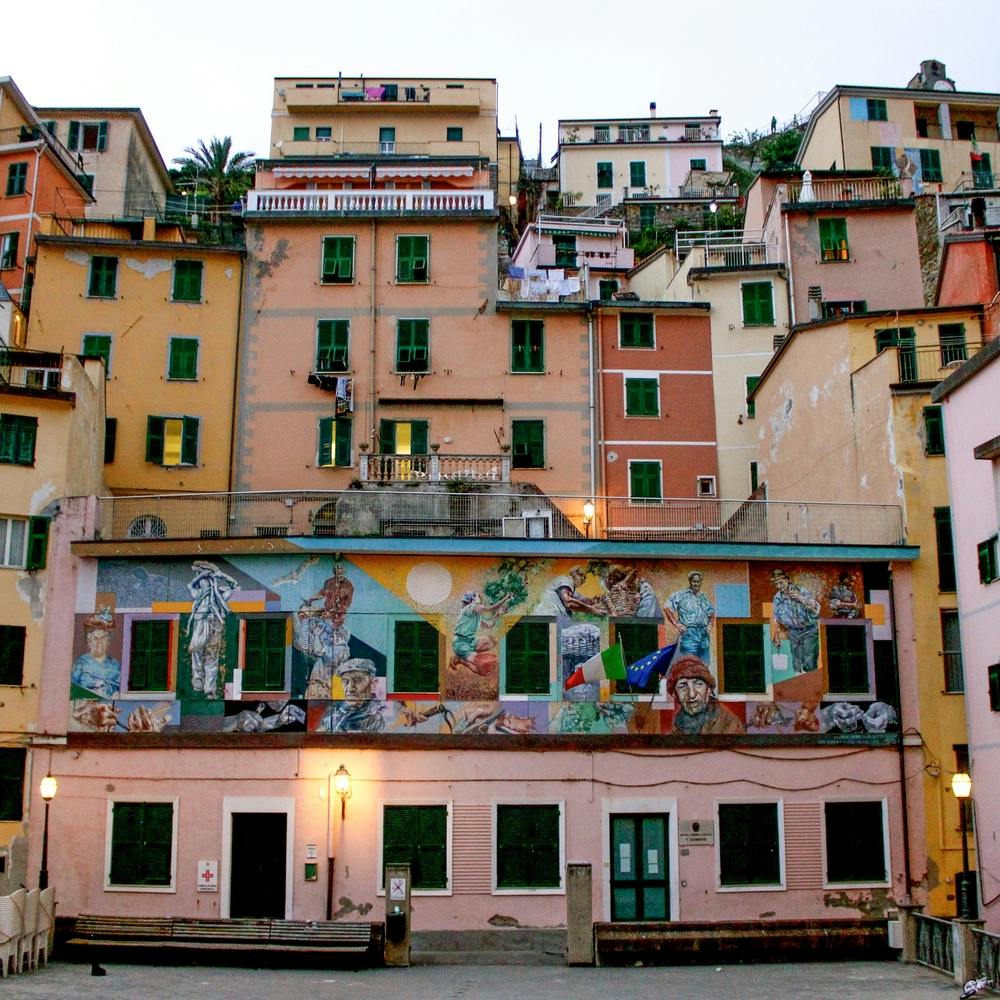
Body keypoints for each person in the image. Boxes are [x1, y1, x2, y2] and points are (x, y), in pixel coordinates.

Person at [187, 560, 238, 698]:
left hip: (215, 626)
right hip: (200, 625)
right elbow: (190, 584)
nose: (206, 581)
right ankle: (197, 685)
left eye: (207, 578)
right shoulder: (197, 594)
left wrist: (220, 575)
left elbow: (234, 585)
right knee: (196, 654)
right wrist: (203, 574)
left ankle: (210, 689)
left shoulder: (220, 596)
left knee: (212, 658)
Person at [665, 656, 743, 735]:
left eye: (698, 684)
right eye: (682, 686)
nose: (692, 694)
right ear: (675, 694)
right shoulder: (676, 726)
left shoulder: (728, 723)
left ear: (709, 689)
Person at [770, 568, 821, 673]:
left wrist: (801, 598)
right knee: (796, 663)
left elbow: (816, 608)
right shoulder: (777, 598)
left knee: (810, 661)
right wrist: (776, 636)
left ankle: (811, 685)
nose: (779, 586)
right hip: (793, 632)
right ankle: (800, 685)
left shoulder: (801, 591)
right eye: (776, 584)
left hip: (809, 630)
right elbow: (776, 618)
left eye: (781, 582)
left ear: (787, 580)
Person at [318, 658, 386, 733]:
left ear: (373, 684)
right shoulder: (335, 710)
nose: (350, 688)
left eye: (357, 680)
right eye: (345, 681)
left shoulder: (377, 717)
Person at [450, 591, 509, 674]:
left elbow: (489, 625)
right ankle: (461, 660)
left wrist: (498, 613)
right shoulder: (469, 608)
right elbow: (490, 609)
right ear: (473, 600)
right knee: (481, 668)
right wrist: (504, 599)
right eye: (479, 599)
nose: (481, 602)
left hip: (471, 641)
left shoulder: (476, 615)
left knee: (491, 640)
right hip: (460, 643)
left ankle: (467, 654)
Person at [664, 572, 715, 662]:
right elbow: (666, 607)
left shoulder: (703, 596)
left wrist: (710, 625)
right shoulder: (681, 595)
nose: (696, 584)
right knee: (690, 661)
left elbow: (711, 613)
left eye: (698, 582)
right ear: (690, 581)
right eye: (694, 581)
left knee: (704, 662)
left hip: (703, 634)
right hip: (689, 633)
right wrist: (676, 624)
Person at [70, 609, 121, 699]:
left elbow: (120, 688)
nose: (99, 642)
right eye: (95, 638)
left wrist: (117, 695)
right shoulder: (81, 663)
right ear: (89, 641)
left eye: (103, 638)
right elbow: (72, 689)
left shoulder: (115, 665)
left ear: (108, 641)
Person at [303, 561, 354, 628]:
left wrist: (331, 612)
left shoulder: (348, 585)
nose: (339, 575)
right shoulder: (329, 582)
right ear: (334, 573)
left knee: (333, 631)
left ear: (343, 572)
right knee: (311, 621)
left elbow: (346, 604)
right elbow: (322, 593)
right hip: (326, 612)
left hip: (338, 615)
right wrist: (311, 599)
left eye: (341, 573)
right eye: (337, 573)